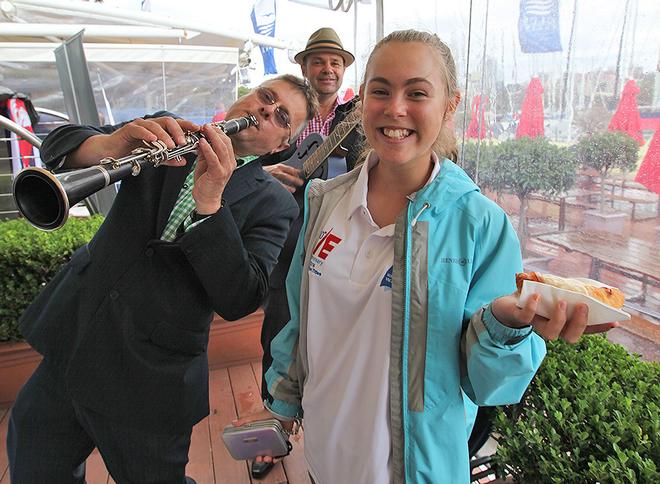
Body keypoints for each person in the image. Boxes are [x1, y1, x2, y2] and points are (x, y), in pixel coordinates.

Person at [235, 30, 617, 483]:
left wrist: (505, 326)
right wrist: (281, 406)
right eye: (380, 91)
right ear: (362, 103)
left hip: (415, 470)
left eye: (417, 92)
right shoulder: (324, 202)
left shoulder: (478, 223)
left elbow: (492, 385)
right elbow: (300, 323)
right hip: (323, 456)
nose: (395, 108)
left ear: (449, 105)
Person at [7, 74, 317, 484]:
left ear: (281, 145)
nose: (264, 111)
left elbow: (242, 296)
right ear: (245, 96)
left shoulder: (274, 203)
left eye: (281, 117)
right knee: (34, 462)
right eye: (265, 97)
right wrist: (111, 144)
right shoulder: (167, 130)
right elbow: (57, 143)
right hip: (77, 336)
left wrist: (210, 203)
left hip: (151, 377)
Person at [252, 29, 362, 478]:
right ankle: (272, 431)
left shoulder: (356, 117)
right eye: (319, 61)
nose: (328, 69)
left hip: (336, 240)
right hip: (283, 237)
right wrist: (265, 177)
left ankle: (323, 424)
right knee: (277, 328)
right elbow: (248, 164)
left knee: (334, 334)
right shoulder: (282, 114)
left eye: (335, 62)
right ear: (305, 67)